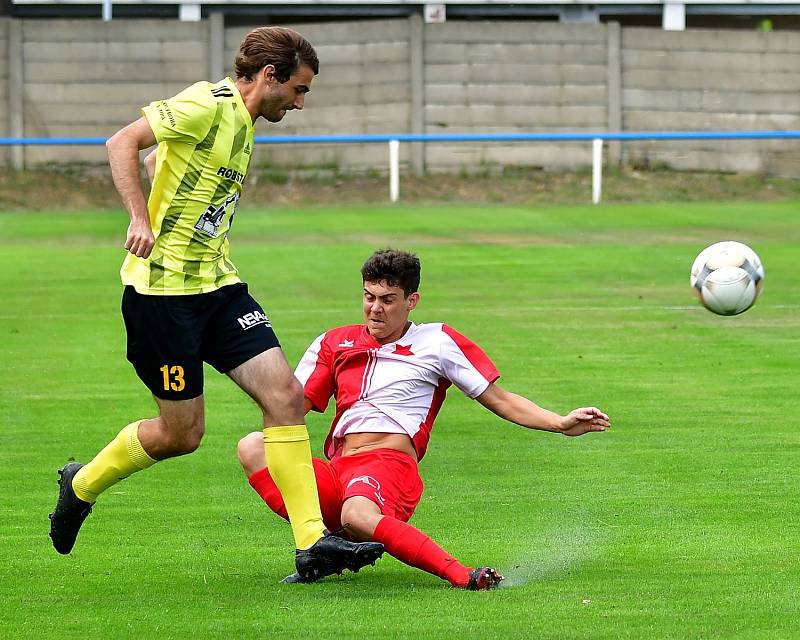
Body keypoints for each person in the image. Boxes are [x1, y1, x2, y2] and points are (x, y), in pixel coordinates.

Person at [48, 26, 384, 582]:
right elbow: (120, 143)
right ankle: (80, 484)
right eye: (298, 90)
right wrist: (139, 217)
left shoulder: (246, 125)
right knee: (182, 434)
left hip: (219, 287)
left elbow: (167, 164)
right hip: (162, 298)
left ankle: (312, 543)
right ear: (269, 76)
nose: (300, 103)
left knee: (286, 397)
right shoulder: (208, 102)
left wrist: (164, 177)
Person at [237, 249, 611, 589]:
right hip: (338, 471)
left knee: (357, 512)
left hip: (389, 466)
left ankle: (462, 575)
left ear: (411, 301)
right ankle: (322, 546)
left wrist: (560, 423)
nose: (375, 309)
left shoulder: (437, 342)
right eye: (369, 297)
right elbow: (288, 408)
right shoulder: (333, 342)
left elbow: (500, 399)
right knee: (253, 446)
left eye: (388, 300)